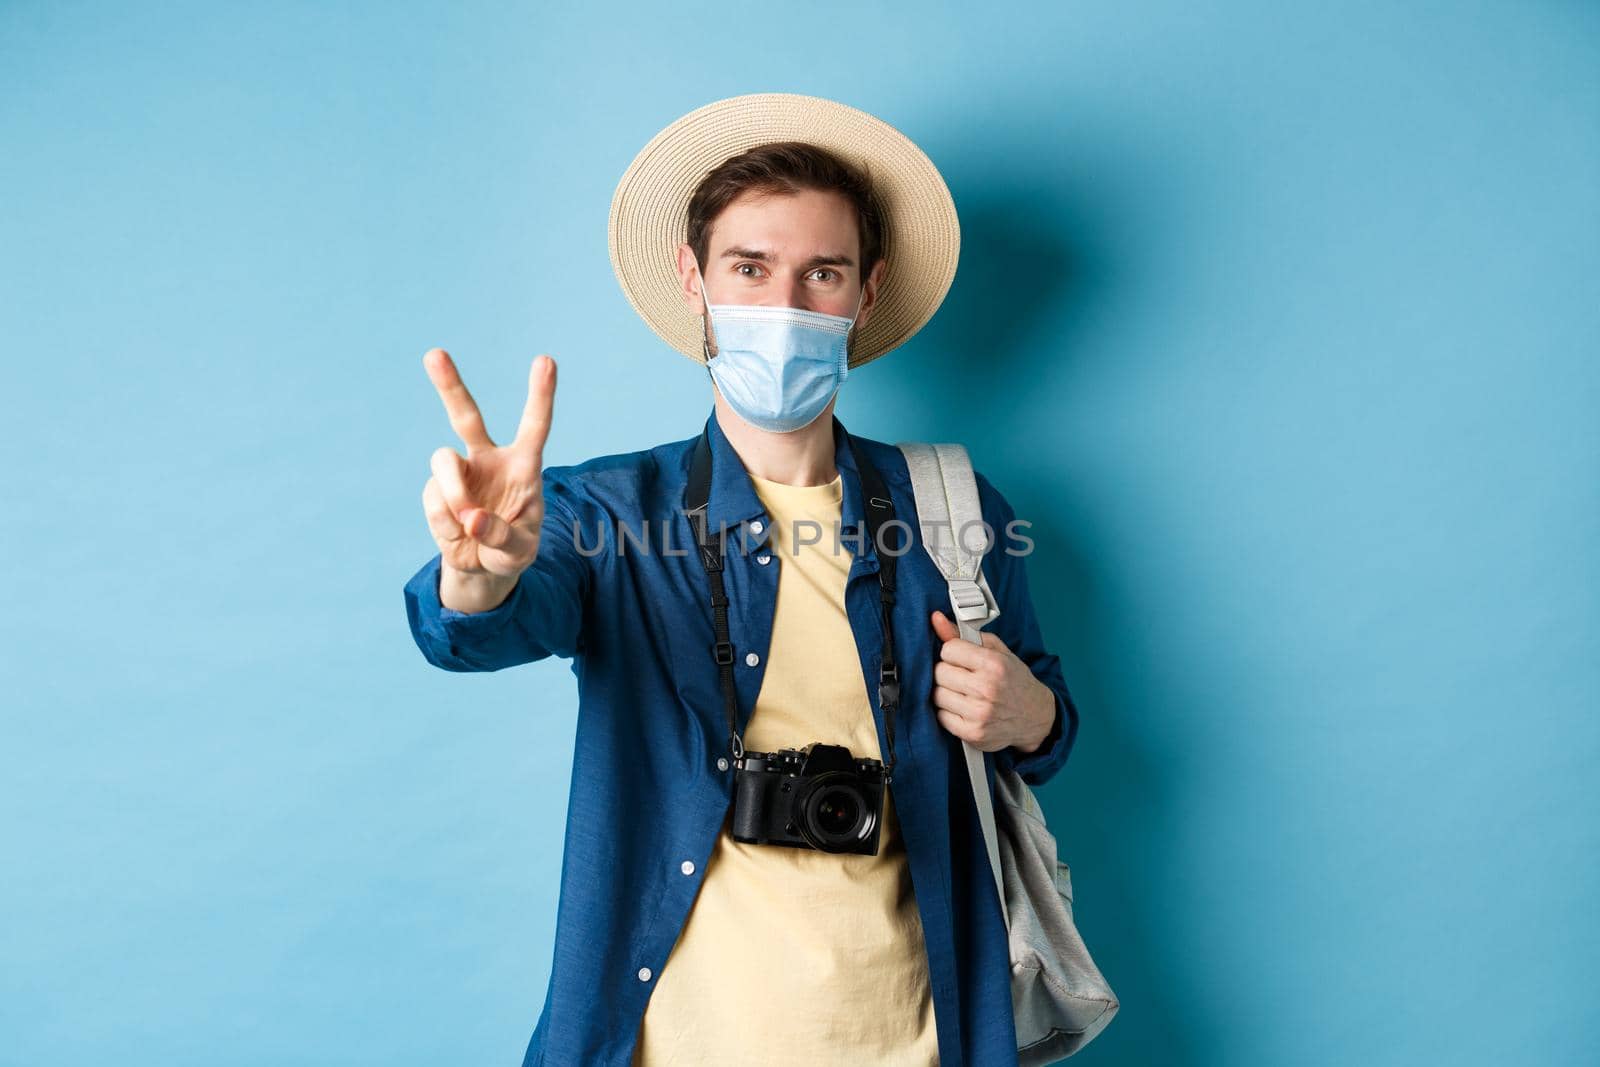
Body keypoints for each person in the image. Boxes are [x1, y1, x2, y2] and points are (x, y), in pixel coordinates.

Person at [403, 93, 1079, 1067]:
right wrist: (480, 572)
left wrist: (1030, 715)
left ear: (867, 291)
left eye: (823, 274)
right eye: (750, 269)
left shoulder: (952, 504)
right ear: (696, 278)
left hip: (922, 1037)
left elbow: (1051, 725)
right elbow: (472, 626)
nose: (784, 307)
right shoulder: (604, 514)